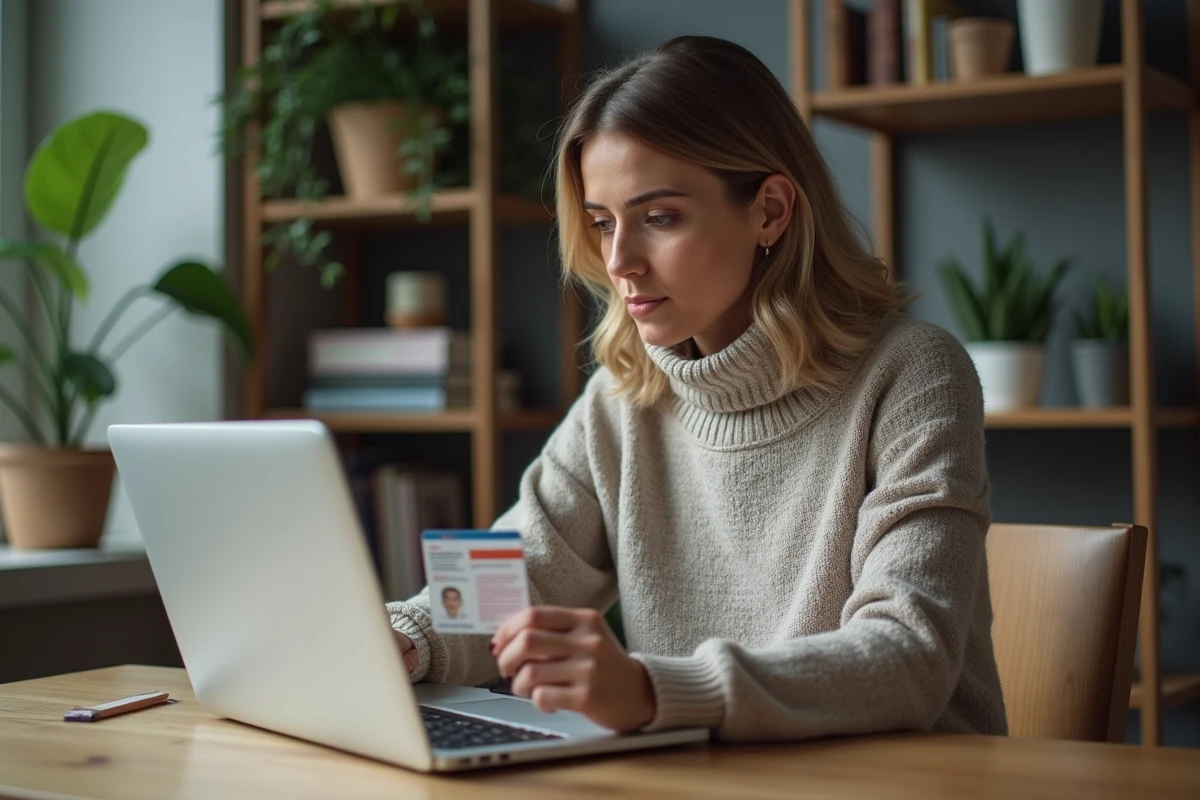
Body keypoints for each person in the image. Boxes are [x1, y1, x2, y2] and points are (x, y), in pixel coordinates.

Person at [387, 35, 1007, 742]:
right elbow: (512, 575)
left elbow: (908, 657)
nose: (620, 262)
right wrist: (405, 635)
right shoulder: (623, 399)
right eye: (601, 223)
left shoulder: (913, 374)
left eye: (659, 218)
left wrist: (656, 691)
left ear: (770, 211)